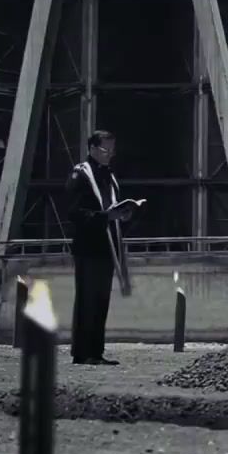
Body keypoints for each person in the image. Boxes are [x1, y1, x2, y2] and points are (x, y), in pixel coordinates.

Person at [66, 130, 134, 366]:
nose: (110, 155)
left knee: (101, 300)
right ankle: (82, 352)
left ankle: (95, 351)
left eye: (112, 151)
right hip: (88, 246)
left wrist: (122, 215)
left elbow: (110, 208)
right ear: (93, 148)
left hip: (107, 247)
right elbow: (73, 212)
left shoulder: (109, 176)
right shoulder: (81, 173)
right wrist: (105, 216)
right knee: (87, 299)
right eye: (106, 150)